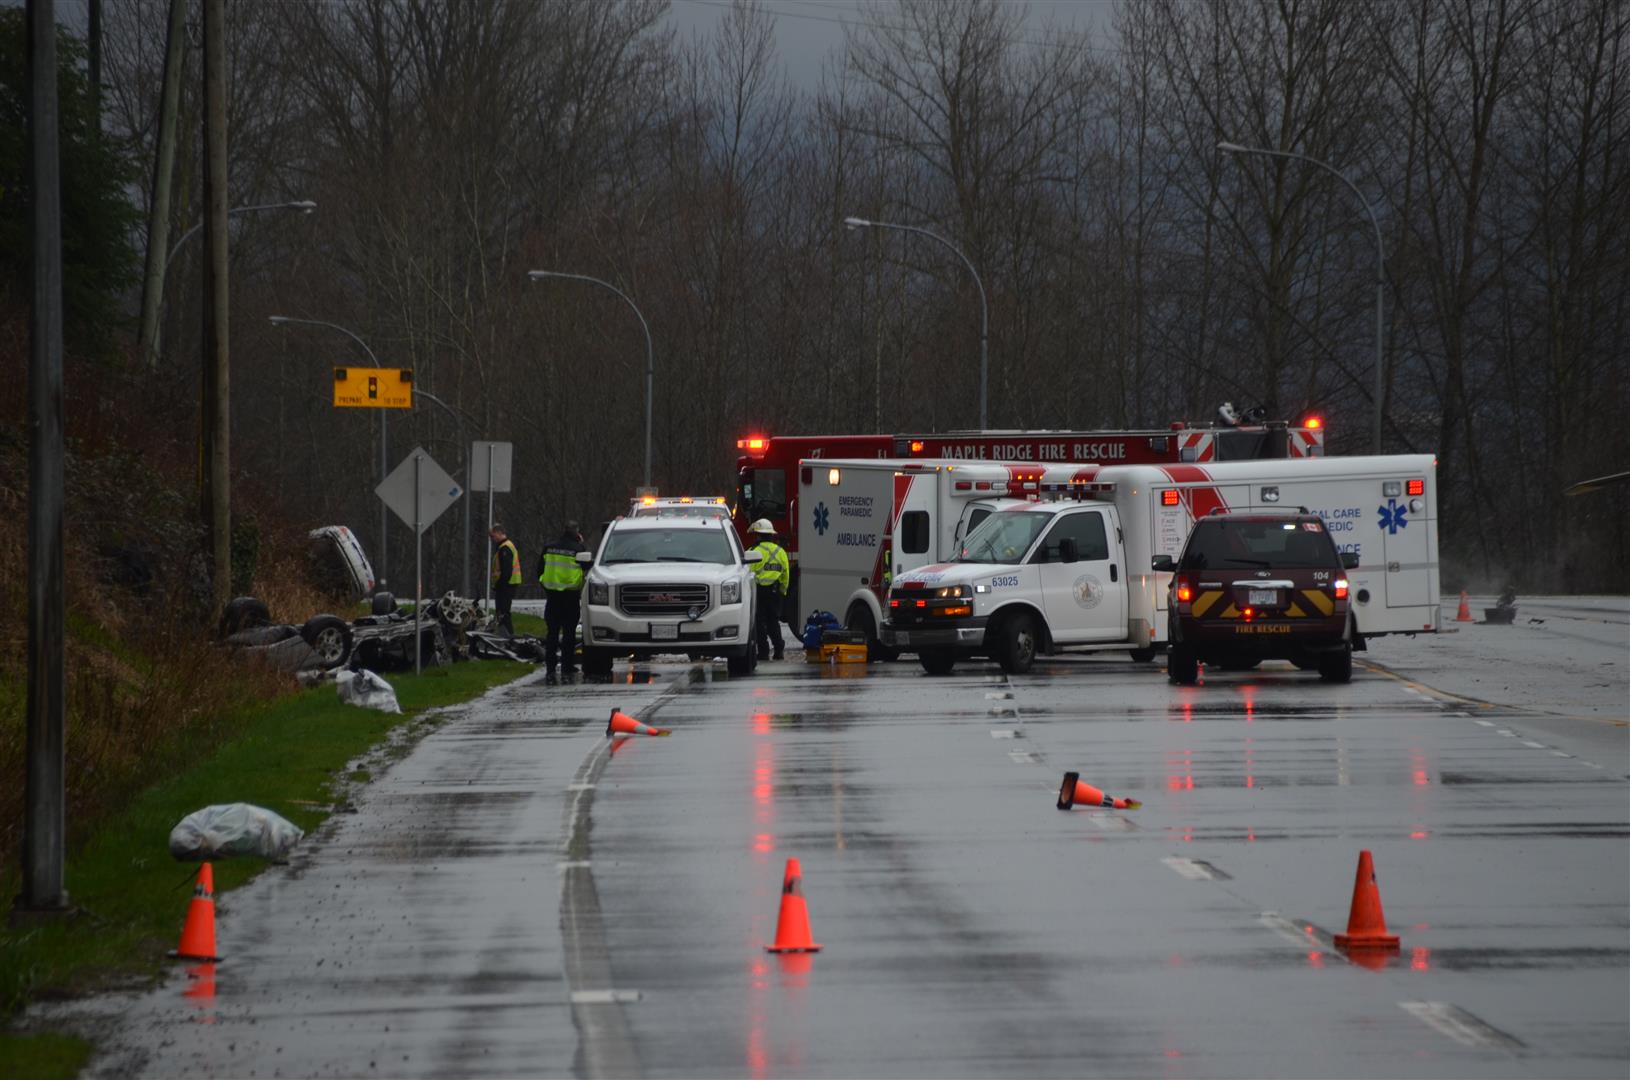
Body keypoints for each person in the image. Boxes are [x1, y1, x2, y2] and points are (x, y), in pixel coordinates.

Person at [536, 520, 588, 684]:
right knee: (569, 634)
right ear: (576, 533)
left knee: (552, 633)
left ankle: (550, 668)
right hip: (570, 596)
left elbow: (539, 570)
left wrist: (546, 585)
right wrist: (582, 544)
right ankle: (567, 666)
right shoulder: (578, 549)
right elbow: (587, 568)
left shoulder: (549, 547)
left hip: (552, 597)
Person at [746, 518, 790, 661]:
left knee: (759, 622)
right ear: (771, 535)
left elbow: (748, 574)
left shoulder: (754, 552)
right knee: (773, 621)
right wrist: (783, 591)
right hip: (775, 592)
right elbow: (785, 574)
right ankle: (779, 650)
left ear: (758, 535)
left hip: (759, 592)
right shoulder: (781, 551)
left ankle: (763, 652)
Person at [488, 524, 520, 636]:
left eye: (492, 536)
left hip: (506, 586)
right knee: (501, 613)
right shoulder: (504, 547)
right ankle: (504, 636)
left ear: (499, 533)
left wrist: (499, 584)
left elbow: (506, 571)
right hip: (507, 584)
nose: (492, 539)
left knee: (503, 613)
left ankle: (507, 637)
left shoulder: (505, 548)